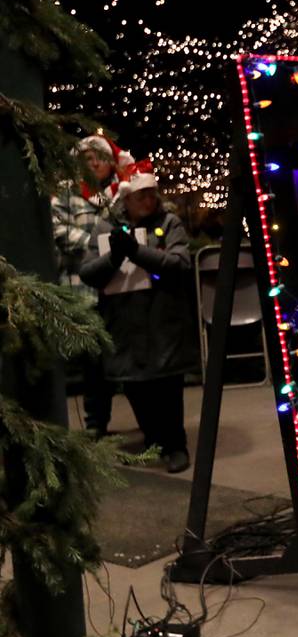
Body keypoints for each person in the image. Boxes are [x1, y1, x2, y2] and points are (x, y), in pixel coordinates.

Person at [79, 161, 196, 473]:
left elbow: (180, 264)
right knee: (137, 388)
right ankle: (155, 439)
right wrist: (116, 256)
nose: (149, 200)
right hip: (125, 327)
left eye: (152, 194)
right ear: (127, 198)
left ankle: (175, 445)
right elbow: (89, 272)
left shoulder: (169, 223)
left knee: (168, 388)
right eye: (141, 195)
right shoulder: (106, 228)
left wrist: (137, 252)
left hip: (163, 323)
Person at [51, 134, 136, 437]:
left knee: (124, 355)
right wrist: (100, 247)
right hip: (83, 288)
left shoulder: (124, 191)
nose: (95, 163)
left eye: (100, 158)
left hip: (121, 286)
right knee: (94, 363)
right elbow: (60, 231)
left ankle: (150, 422)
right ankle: (96, 424)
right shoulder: (66, 194)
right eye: (88, 159)